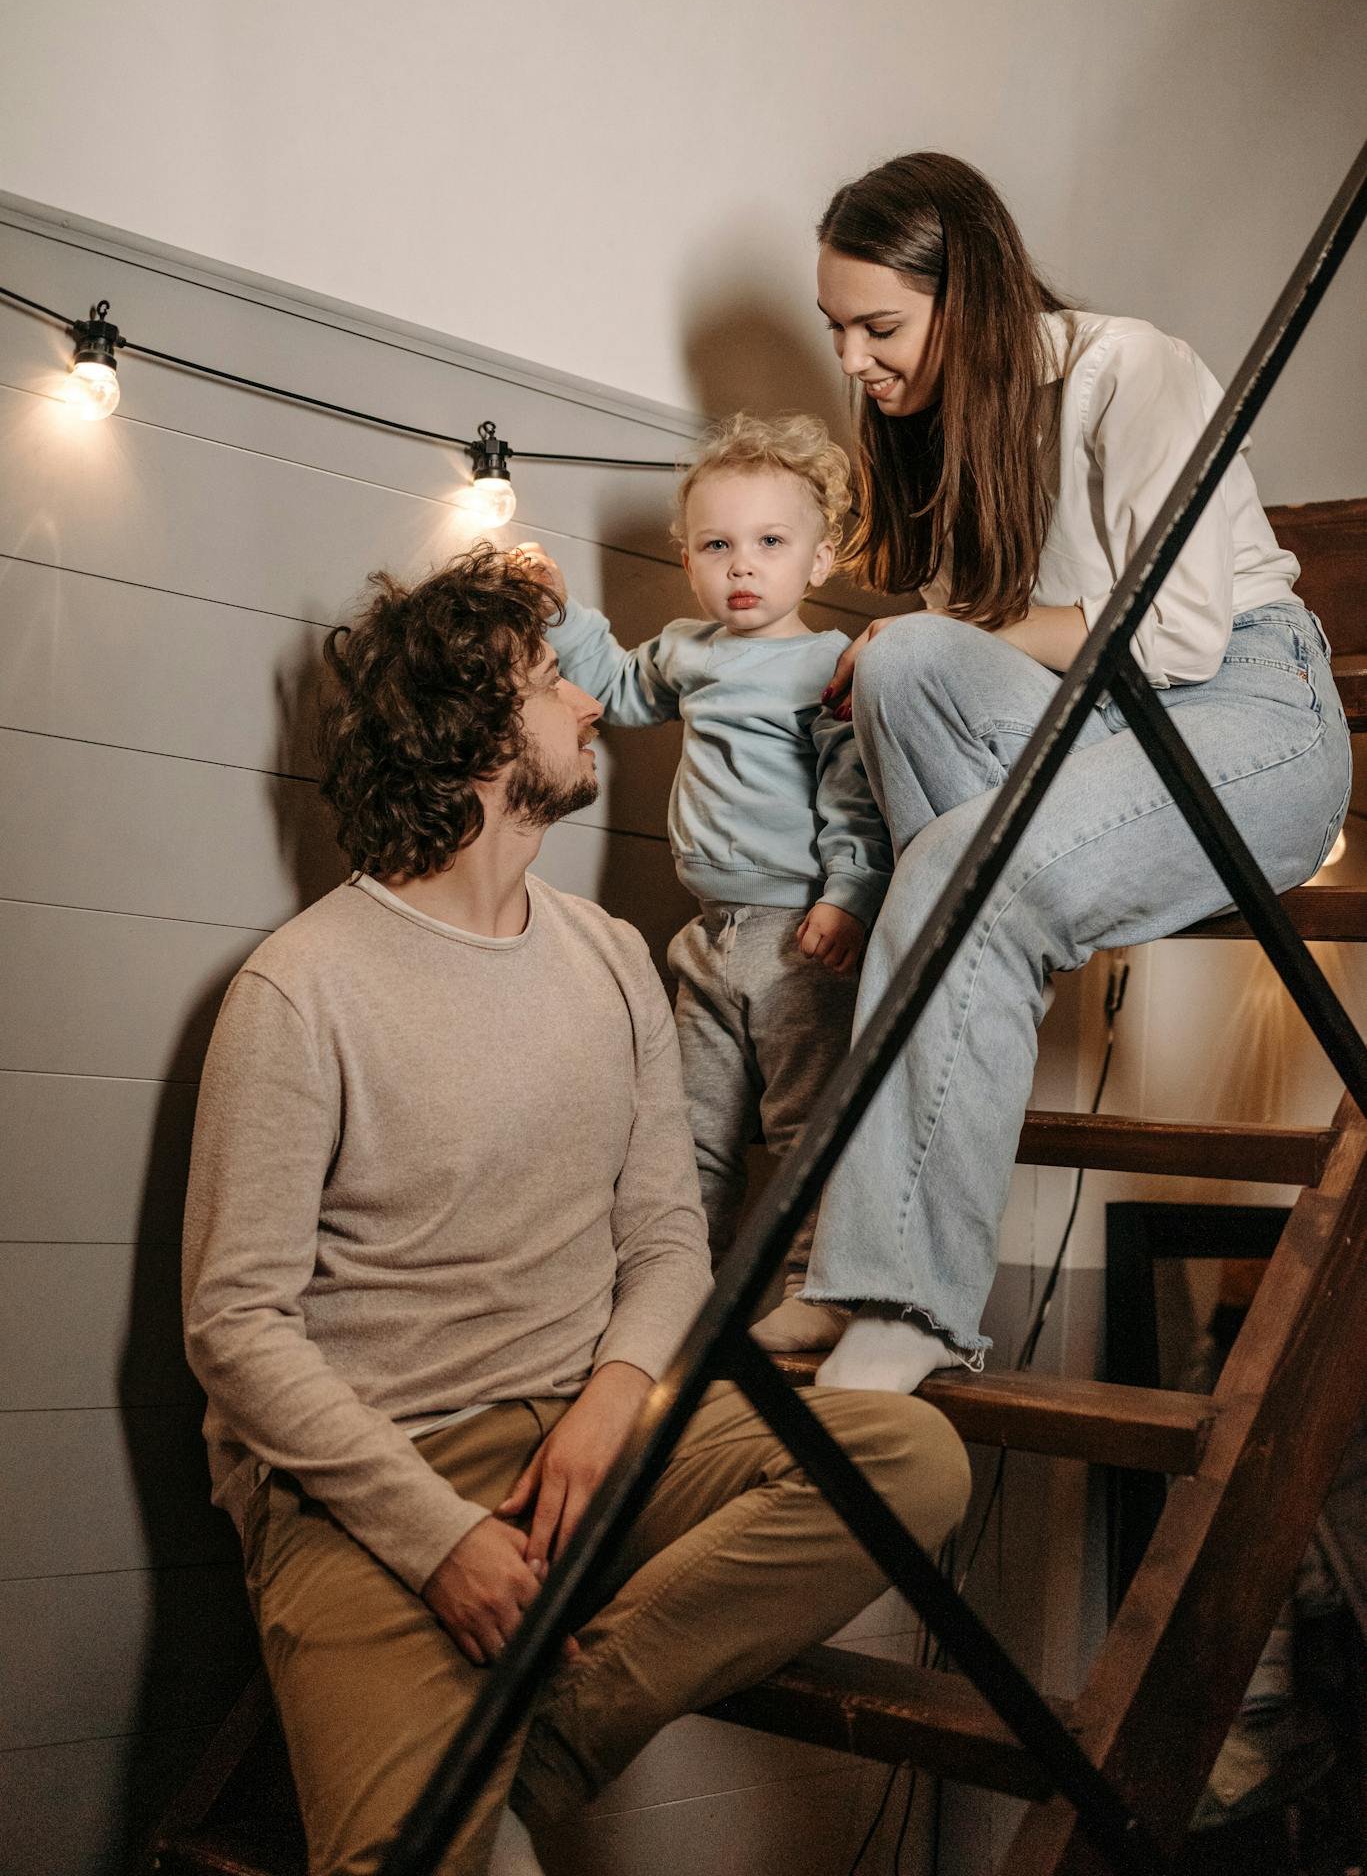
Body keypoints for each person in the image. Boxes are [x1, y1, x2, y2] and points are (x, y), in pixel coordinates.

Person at [181, 544, 970, 1876]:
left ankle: (546, 1734)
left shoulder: (608, 957)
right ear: (476, 731)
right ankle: (468, 1783)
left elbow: (666, 1238)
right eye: (552, 680)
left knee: (907, 1462)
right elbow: (234, 1326)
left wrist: (611, 1403)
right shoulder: (299, 987)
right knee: (401, 1857)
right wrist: (439, 1545)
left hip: (590, 1443)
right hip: (374, 1481)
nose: (590, 702)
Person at [801, 151, 1353, 1397]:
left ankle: (904, 1293)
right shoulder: (945, 439)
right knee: (896, 672)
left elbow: (1176, 637)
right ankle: (876, 1240)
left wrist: (956, 635)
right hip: (1101, 732)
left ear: (972, 295)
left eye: (878, 326)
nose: (852, 361)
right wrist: (923, 641)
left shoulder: (1127, 367)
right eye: (833, 328)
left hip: (1249, 715)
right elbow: (974, 665)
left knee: (950, 849)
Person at [520, 413, 892, 1356]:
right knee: (689, 1134)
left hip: (797, 936)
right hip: (707, 935)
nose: (742, 566)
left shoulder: (826, 668)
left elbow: (854, 799)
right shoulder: (688, 651)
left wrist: (845, 899)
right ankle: (677, 1301)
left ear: (818, 560)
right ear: (687, 560)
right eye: (718, 545)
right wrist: (562, 612)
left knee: (809, 1119)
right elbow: (612, 685)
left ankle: (821, 1286)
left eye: (770, 544)